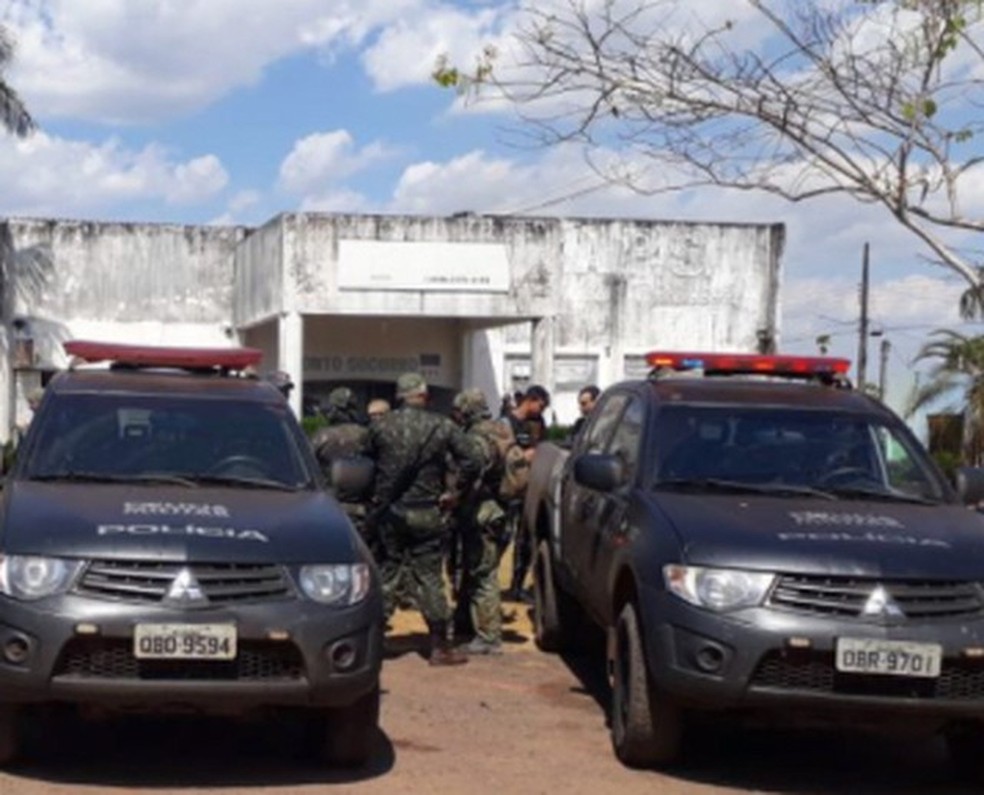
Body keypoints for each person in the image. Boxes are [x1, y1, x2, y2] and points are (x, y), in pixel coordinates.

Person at [365, 372, 482, 666]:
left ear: (399, 397)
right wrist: (455, 491)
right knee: (429, 576)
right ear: (424, 396)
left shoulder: (380, 426)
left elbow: (364, 462)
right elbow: (473, 459)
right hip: (428, 512)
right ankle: (440, 647)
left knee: (387, 573)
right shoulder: (442, 426)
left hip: (390, 512)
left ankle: (373, 641)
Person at [450, 388, 517, 656]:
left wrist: (454, 493)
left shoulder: (477, 438)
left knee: (483, 573)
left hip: (483, 512)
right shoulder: (501, 429)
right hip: (501, 510)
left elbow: (470, 469)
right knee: (475, 569)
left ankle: (489, 637)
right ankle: (467, 623)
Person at [501, 384, 551, 602]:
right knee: (501, 538)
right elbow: (499, 454)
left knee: (525, 541)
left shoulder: (539, 424)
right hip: (508, 489)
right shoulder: (505, 422)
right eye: (541, 405)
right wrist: (522, 456)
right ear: (530, 400)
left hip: (529, 490)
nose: (542, 411)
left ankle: (517, 586)